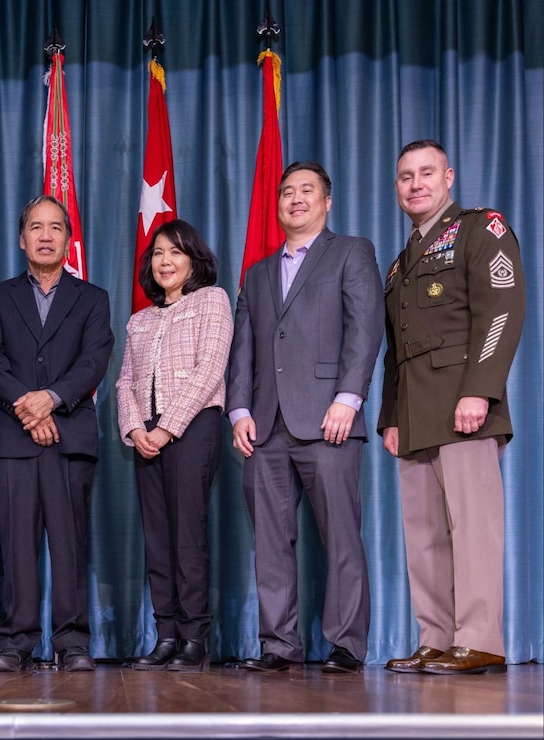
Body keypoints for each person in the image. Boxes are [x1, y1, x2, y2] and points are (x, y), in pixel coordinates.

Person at [227, 161, 383, 673]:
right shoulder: (257, 272)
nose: (296, 199)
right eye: (287, 191)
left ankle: (345, 645)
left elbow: (366, 329)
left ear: (327, 201)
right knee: (270, 542)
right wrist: (240, 410)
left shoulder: (352, 252)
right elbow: (243, 347)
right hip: (266, 426)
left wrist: (349, 398)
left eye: (307, 190)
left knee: (340, 536)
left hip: (329, 420)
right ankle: (279, 645)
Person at [378, 140, 525, 675]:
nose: (415, 184)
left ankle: (480, 638)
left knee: (473, 526)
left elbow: (502, 309)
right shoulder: (399, 267)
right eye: (405, 176)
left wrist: (480, 390)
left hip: (464, 404)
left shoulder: (479, 230)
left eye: (426, 173)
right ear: (396, 188)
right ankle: (436, 638)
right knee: (424, 536)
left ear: (448, 178)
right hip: (415, 414)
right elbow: (396, 350)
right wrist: (390, 416)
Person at [0, 195, 114, 673]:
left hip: (71, 436)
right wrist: (30, 409)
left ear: (69, 239)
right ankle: (15, 641)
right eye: (36, 226)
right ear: (22, 238)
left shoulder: (93, 298)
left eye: (56, 227)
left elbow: (94, 360)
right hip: (13, 441)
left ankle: (72, 641)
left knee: (70, 543)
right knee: (17, 544)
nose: (46, 235)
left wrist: (50, 399)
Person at [116, 220, 233, 672]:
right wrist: (134, 430)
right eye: (158, 253)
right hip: (145, 434)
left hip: (191, 427)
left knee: (187, 534)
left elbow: (210, 371)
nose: (165, 261)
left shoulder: (212, 301)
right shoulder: (139, 319)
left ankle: (194, 637)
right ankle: (165, 634)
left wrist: (166, 428)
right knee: (157, 537)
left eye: (176, 253)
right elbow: (125, 381)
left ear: (193, 260)